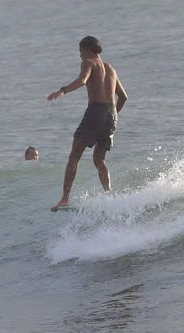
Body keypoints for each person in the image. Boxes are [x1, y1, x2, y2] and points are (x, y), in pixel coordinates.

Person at [46, 36, 128, 211]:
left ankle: (65, 199)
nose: (79, 54)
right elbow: (123, 97)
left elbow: (82, 81)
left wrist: (62, 91)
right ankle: (109, 194)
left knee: (74, 155)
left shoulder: (89, 63)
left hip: (96, 110)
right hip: (111, 114)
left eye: (80, 50)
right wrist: (112, 116)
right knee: (99, 158)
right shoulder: (110, 68)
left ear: (89, 49)